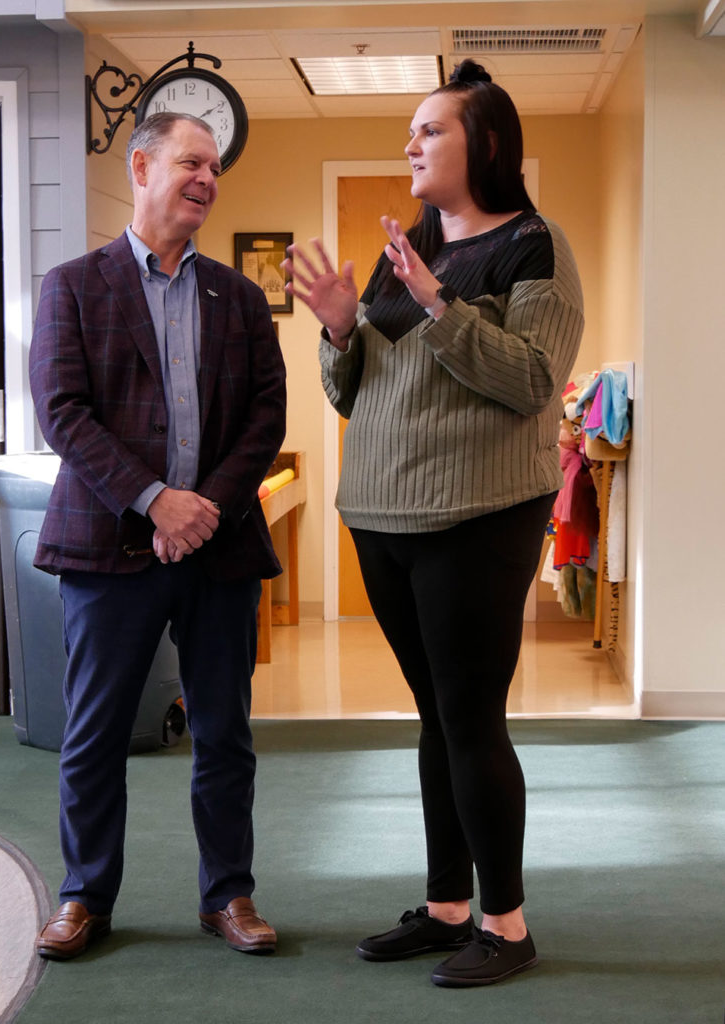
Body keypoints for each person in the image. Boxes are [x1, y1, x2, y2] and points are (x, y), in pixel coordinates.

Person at [283, 59, 583, 987]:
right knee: (434, 716)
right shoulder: (405, 248)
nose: (409, 144)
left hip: (476, 518)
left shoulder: (532, 245)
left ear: (484, 144)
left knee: (470, 716)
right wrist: (339, 330)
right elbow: (354, 394)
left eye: (430, 130)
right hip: (381, 514)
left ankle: (506, 924)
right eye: (409, 131)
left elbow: (531, 379)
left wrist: (435, 303)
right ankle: (449, 905)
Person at [29, 112, 286, 961]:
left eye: (214, 166)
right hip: (107, 548)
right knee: (96, 732)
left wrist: (201, 506)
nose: (207, 179)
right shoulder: (73, 285)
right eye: (190, 162)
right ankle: (84, 896)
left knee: (224, 732)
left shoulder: (240, 297)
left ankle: (229, 895)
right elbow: (64, 413)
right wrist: (152, 501)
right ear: (140, 166)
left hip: (218, 551)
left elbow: (263, 415)